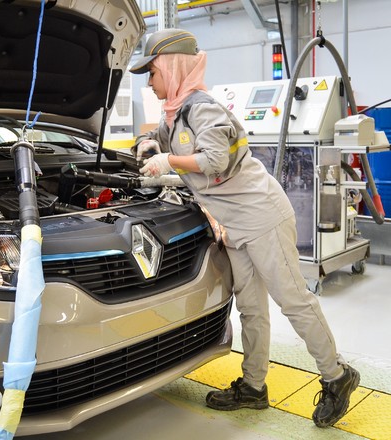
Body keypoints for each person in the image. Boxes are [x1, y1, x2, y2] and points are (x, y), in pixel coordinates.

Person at [129, 28, 359, 428]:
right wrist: (148, 144)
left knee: (294, 301)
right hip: (233, 225)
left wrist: (167, 161)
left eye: (152, 73)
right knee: (251, 308)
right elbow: (165, 138)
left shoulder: (202, 108)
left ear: (171, 66)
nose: (149, 83)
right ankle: (254, 388)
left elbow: (215, 159)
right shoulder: (177, 113)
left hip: (262, 216)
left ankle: (337, 375)